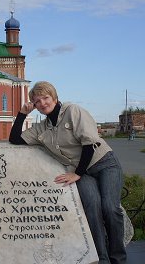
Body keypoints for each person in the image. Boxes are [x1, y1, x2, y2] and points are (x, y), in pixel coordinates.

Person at [9, 81, 126, 264]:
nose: (42, 103)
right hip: (82, 172)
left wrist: (77, 173)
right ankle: (101, 259)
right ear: (35, 106)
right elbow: (15, 139)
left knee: (110, 208)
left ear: (55, 97)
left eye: (46, 98)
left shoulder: (72, 111)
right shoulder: (42, 127)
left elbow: (89, 143)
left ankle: (118, 258)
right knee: (92, 210)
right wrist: (22, 114)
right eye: (37, 101)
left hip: (103, 163)